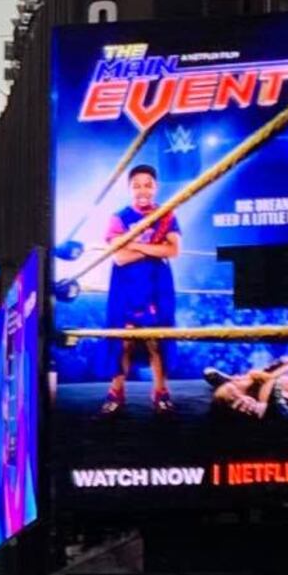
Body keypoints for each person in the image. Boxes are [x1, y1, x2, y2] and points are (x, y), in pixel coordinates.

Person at [100, 164, 182, 415]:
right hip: (126, 287)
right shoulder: (119, 216)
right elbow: (119, 258)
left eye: (148, 184)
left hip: (156, 286)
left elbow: (173, 250)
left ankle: (160, 392)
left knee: (155, 341)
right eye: (137, 185)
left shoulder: (167, 214)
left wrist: (136, 245)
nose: (143, 190)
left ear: (155, 187)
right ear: (129, 189)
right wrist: (153, 245)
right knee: (122, 342)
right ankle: (116, 392)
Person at [205, 351, 288, 420]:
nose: (237, 377)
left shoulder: (273, 373)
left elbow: (208, 372)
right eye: (235, 383)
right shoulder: (273, 391)